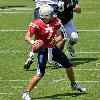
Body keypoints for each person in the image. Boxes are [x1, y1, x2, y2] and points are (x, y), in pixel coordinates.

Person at [22, 4, 86, 100]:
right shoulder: (36, 23)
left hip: (53, 49)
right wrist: (33, 42)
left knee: (68, 66)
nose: (53, 15)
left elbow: (60, 35)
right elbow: (27, 36)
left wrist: (56, 41)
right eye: (51, 13)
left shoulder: (56, 21)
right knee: (40, 74)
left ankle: (74, 85)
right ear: (46, 15)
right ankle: (26, 93)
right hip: (43, 50)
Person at [24, 0, 81, 69]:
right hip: (51, 8)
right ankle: (54, 58)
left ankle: (31, 56)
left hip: (39, 10)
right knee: (61, 35)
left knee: (39, 36)